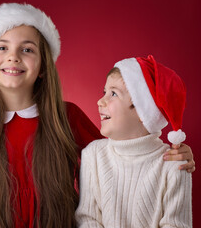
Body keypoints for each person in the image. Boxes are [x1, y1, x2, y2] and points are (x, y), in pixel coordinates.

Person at [0, 3, 195, 228]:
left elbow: (121, 154)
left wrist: (172, 155)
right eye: (2, 47)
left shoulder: (67, 117)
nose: (13, 56)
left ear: (44, 66)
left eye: (27, 49)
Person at [75, 56, 192, 227]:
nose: (100, 101)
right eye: (104, 92)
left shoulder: (174, 163)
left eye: (113, 93)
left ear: (142, 110)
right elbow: (87, 218)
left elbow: (176, 224)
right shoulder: (92, 155)